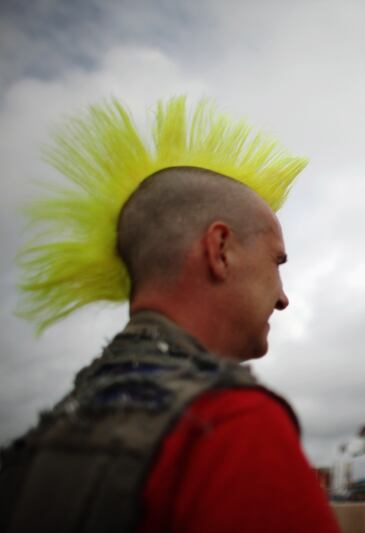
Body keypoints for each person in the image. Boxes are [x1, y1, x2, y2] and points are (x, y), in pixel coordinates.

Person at [0, 97, 341, 532]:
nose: (283, 298)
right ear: (219, 250)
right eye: (277, 262)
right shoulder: (232, 426)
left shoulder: (39, 441)